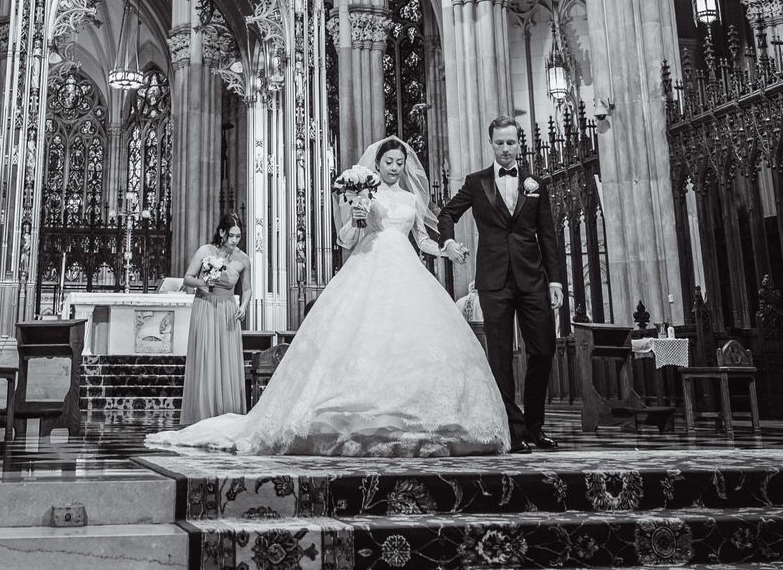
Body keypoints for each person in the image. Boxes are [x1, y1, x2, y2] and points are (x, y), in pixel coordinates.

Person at [146, 137, 508, 457]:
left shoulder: (411, 199)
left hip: (407, 270)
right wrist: (357, 216)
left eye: (400, 163)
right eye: (388, 163)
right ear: (377, 165)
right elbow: (347, 239)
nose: (395, 169)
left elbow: (423, 240)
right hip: (368, 266)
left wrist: (447, 249)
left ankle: (417, 418)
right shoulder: (365, 194)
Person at [438, 115, 566, 452]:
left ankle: (536, 426)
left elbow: (548, 236)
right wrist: (449, 242)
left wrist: (555, 280)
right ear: (491, 144)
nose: (505, 149)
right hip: (494, 280)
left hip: (532, 278)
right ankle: (515, 430)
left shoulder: (536, 183)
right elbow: (447, 214)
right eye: (499, 143)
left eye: (511, 142)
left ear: (518, 143)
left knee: (543, 349)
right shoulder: (477, 182)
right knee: (500, 356)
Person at [177, 214, 250, 424]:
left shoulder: (243, 258)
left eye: (238, 236)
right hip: (206, 306)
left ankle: (226, 412)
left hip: (228, 310)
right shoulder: (205, 251)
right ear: (222, 233)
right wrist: (203, 283)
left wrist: (243, 307)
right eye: (232, 235)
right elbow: (187, 278)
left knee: (226, 359)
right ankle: (203, 412)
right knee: (207, 356)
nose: (235, 240)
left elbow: (247, 288)